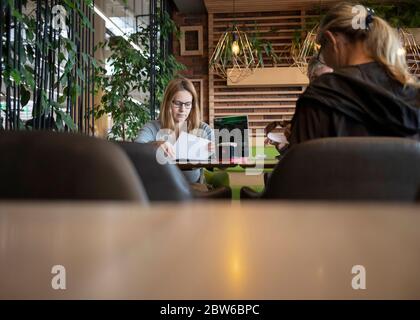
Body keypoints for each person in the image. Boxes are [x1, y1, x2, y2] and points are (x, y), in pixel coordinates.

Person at [288, 2, 420, 146]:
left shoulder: (320, 95)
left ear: (332, 40)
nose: (323, 58)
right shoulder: (413, 92)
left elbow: (303, 165)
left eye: (321, 51)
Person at [136, 78, 214, 183]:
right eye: (177, 103)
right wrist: (155, 144)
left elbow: (221, 165)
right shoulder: (152, 127)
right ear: (168, 103)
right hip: (161, 188)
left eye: (187, 104)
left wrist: (218, 151)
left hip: (194, 190)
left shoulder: (203, 129)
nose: (183, 109)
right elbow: (136, 150)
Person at [265, 57, 333, 153]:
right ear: (311, 77)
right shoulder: (307, 103)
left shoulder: (337, 105)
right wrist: (281, 145)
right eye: (324, 78)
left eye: (331, 78)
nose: (329, 83)